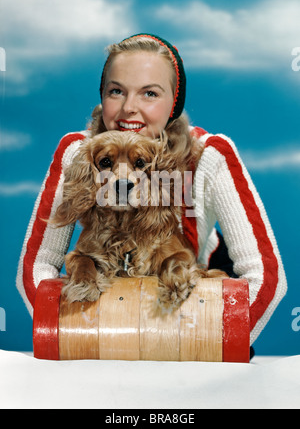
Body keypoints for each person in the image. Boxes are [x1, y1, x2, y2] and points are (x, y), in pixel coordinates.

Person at [16, 34, 287, 350]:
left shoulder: (210, 155)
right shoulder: (79, 151)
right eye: (116, 91)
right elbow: (36, 268)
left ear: (174, 102)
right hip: (106, 319)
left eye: (149, 93)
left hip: (194, 310)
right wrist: (80, 337)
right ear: (102, 96)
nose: (129, 108)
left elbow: (266, 278)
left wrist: (210, 342)